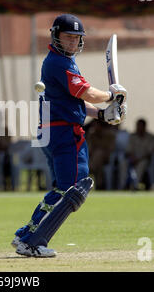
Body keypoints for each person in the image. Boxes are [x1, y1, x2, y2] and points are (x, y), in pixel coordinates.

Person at [12, 14, 127, 257]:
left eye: (77, 38)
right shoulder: (59, 63)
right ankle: (34, 241)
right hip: (63, 132)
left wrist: (103, 115)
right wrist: (110, 95)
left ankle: (26, 234)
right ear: (56, 36)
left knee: (63, 188)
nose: (73, 42)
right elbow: (86, 93)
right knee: (75, 188)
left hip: (54, 129)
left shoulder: (62, 62)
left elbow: (74, 102)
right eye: (68, 37)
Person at [126, 119, 154, 190]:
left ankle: (134, 185)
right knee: (123, 164)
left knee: (142, 164)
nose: (139, 128)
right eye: (138, 126)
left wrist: (138, 159)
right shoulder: (132, 136)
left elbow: (149, 153)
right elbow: (129, 150)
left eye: (141, 126)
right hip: (132, 159)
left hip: (144, 160)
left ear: (144, 126)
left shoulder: (150, 137)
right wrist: (133, 158)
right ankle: (122, 186)